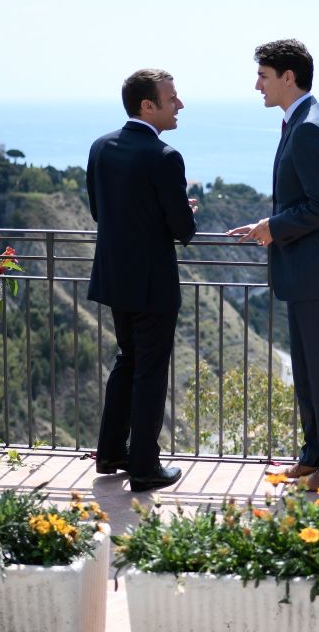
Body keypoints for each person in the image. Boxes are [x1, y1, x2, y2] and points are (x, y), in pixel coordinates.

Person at [228, 39, 319, 488]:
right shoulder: (302, 120)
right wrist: (272, 226)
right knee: (308, 370)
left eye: (263, 75)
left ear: (289, 76)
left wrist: (272, 226)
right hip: (307, 270)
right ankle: (316, 452)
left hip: (315, 272)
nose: (256, 85)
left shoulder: (308, 127)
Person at [87, 68, 198, 492]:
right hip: (152, 283)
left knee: (127, 360)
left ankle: (111, 452)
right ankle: (145, 468)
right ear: (147, 105)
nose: (180, 105)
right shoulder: (165, 156)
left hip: (116, 276)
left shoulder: (101, 147)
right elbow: (182, 229)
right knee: (150, 370)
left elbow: (102, 211)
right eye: (172, 99)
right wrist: (183, 210)